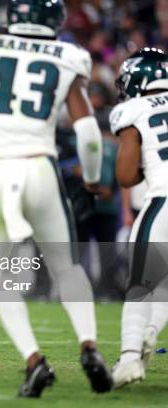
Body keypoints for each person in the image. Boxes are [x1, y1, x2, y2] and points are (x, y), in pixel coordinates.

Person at [0, 0, 112, 397]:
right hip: (41, 167)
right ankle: (89, 346)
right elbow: (87, 134)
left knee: (3, 278)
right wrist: (93, 183)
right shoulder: (68, 56)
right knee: (67, 267)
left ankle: (34, 361)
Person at [109, 48, 168, 388]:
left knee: (140, 285)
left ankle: (130, 357)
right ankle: (149, 331)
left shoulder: (133, 109)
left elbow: (126, 176)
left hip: (163, 201)